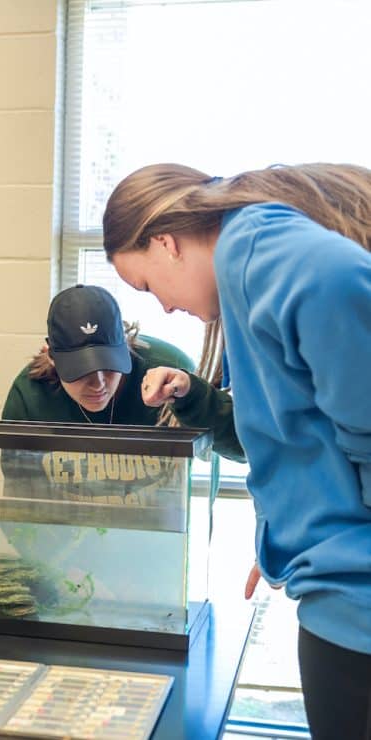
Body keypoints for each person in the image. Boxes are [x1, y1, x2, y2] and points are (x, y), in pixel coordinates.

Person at [102, 162, 371, 740]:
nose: (165, 309)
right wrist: (292, 517)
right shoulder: (243, 278)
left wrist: (328, 530)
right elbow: (295, 429)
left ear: (166, 243)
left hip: (356, 598)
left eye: (148, 287)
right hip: (337, 590)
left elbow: (340, 283)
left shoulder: (254, 245)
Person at [2, 283, 244, 462]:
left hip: (158, 528)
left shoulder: (170, 374)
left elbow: (245, 449)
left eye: (108, 366)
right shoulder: (29, 396)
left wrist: (193, 396)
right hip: (63, 528)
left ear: (126, 346)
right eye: (79, 370)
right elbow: (19, 503)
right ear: (51, 356)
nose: (98, 384)